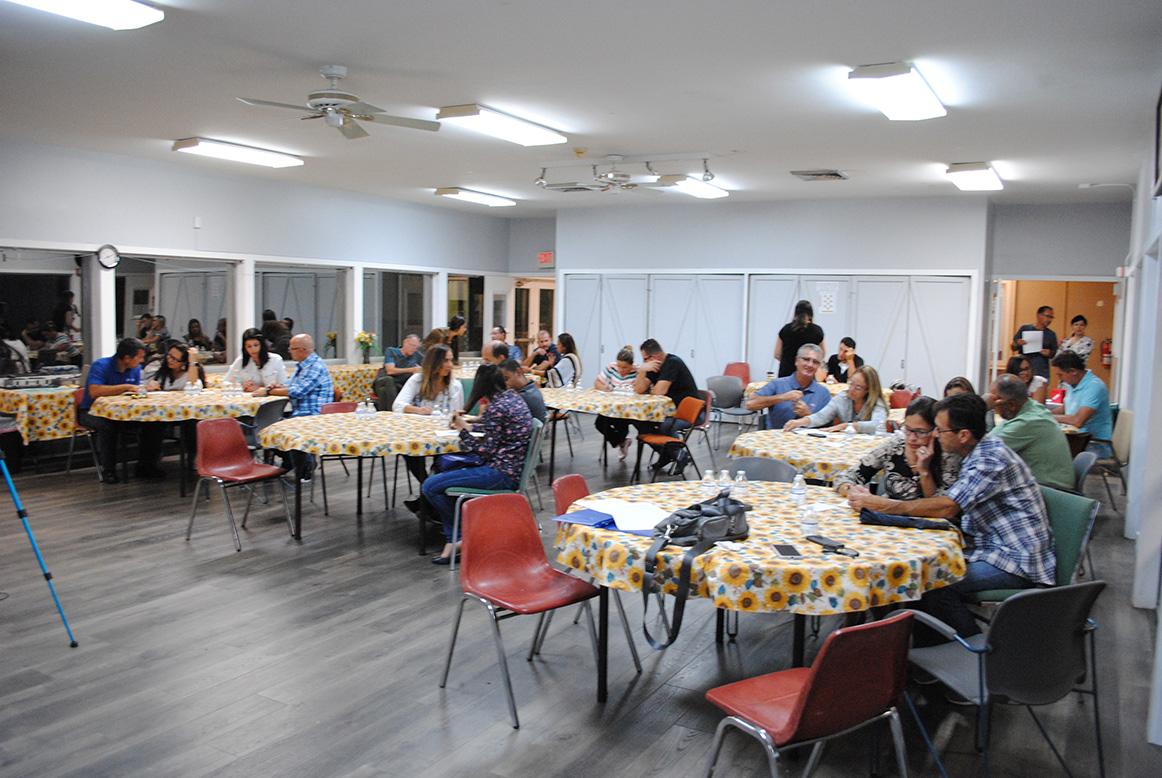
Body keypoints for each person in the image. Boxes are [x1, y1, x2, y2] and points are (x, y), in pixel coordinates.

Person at [847, 393, 1055, 640]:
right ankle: (916, 647)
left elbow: (948, 507)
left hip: (1015, 559)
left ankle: (973, 648)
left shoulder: (989, 460)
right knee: (922, 573)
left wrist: (885, 506)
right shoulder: (977, 452)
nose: (935, 435)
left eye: (940, 430)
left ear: (963, 435)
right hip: (988, 545)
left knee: (934, 580)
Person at [419, 365, 533, 564]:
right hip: (512, 468)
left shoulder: (497, 408)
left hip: (500, 473)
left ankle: (459, 537)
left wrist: (463, 430)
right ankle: (458, 537)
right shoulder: (513, 398)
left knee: (430, 486)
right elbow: (495, 431)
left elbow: (484, 450)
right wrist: (467, 426)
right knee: (443, 474)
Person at [834, 396, 961, 501]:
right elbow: (847, 476)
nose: (911, 438)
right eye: (908, 429)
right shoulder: (895, 447)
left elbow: (940, 506)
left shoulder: (948, 456)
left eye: (921, 432)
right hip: (885, 516)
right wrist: (851, 490)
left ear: (936, 431)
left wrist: (924, 471)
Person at [78, 337, 163, 483]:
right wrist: (126, 387)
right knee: (108, 426)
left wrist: (145, 389)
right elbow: (94, 391)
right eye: (139, 357)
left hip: (124, 412)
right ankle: (109, 470)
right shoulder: (101, 365)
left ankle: (146, 466)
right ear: (127, 358)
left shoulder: (135, 369)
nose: (142, 361)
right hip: (91, 411)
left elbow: (134, 393)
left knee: (154, 422)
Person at [253, 334, 333, 481]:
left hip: (313, 414)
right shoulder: (303, 365)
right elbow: (291, 384)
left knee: (273, 429)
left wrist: (268, 391)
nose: (289, 351)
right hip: (301, 411)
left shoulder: (315, 367)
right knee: (267, 428)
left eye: (292, 348)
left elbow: (298, 391)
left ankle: (305, 465)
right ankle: (292, 460)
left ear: (303, 350)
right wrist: (276, 386)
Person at [393, 344, 465, 485]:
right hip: (419, 432)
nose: (450, 365)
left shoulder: (455, 385)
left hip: (444, 434)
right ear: (434, 362)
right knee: (409, 449)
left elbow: (457, 413)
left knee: (446, 455)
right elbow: (397, 405)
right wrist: (418, 410)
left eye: (451, 360)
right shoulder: (417, 380)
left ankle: (429, 488)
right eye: (446, 361)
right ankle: (426, 485)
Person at [988, 374, 1074, 491]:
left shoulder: (1027, 422)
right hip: (1046, 484)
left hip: (1051, 491)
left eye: (994, 400)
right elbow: (992, 436)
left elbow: (983, 450)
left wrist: (983, 406)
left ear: (1011, 405)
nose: (993, 406)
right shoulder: (1032, 407)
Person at [632, 338, 702, 471]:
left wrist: (653, 389)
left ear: (655, 356)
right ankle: (669, 454)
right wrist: (641, 371)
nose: (644, 362)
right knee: (639, 421)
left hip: (690, 413)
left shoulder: (673, 363)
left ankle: (679, 455)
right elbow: (639, 390)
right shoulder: (652, 367)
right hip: (669, 412)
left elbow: (659, 392)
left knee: (664, 425)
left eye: (645, 359)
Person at [746, 343, 830, 430]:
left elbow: (828, 427)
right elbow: (750, 404)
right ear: (796, 361)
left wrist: (807, 415)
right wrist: (782, 397)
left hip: (808, 438)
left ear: (818, 366)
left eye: (815, 362)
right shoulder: (778, 384)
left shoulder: (823, 393)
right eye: (806, 359)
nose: (810, 365)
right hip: (777, 437)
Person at [784, 365, 888, 432]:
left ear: (868, 390)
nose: (851, 390)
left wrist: (846, 426)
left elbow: (877, 425)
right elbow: (821, 416)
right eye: (851, 383)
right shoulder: (842, 397)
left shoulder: (877, 403)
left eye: (858, 388)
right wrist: (799, 422)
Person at [1050, 350, 1112, 455]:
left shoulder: (1094, 386)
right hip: (1076, 440)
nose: (1060, 379)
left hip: (1092, 445)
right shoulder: (1073, 383)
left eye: (1060, 375)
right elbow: (1064, 409)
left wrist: (1048, 416)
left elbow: (1078, 421)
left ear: (1073, 371)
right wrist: (1043, 412)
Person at [592, 345, 638, 459]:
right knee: (599, 424)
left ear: (631, 365)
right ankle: (622, 442)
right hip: (611, 407)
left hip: (628, 410)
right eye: (619, 366)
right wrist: (604, 388)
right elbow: (597, 382)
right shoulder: (611, 367)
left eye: (625, 367)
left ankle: (621, 441)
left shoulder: (638, 371)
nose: (621, 370)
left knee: (620, 423)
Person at [775, 300, 826, 378]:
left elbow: (777, 354)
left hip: (786, 374)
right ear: (811, 314)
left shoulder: (785, 329)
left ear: (796, 313)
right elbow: (822, 354)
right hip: (808, 374)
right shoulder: (817, 331)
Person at [1012, 305, 1058, 380]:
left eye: (1051, 317)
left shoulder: (1051, 334)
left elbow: (1054, 353)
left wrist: (1049, 353)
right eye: (1047, 316)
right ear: (1038, 315)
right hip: (1024, 368)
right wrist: (1018, 343)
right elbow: (1013, 347)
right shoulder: (1025, 329)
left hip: (1041, 370)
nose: (1049, 320)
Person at [499, 358, 546, 424]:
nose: (505, 383)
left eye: (506, 378)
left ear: (519, 372)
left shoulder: (524, 396)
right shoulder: (532, 385)